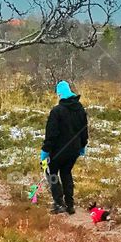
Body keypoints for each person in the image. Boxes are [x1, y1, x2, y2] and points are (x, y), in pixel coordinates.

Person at [40, 80, 88, 214]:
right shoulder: (80, 109)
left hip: (58, 151)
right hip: (74, 151)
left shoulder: (56, 111)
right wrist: (82, 146)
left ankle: (59, 204)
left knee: (51, 172)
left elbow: (51, 134)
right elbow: (84, 130)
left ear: (60, 94)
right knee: (66, 173)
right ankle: (70, 205)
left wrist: (45, 152)